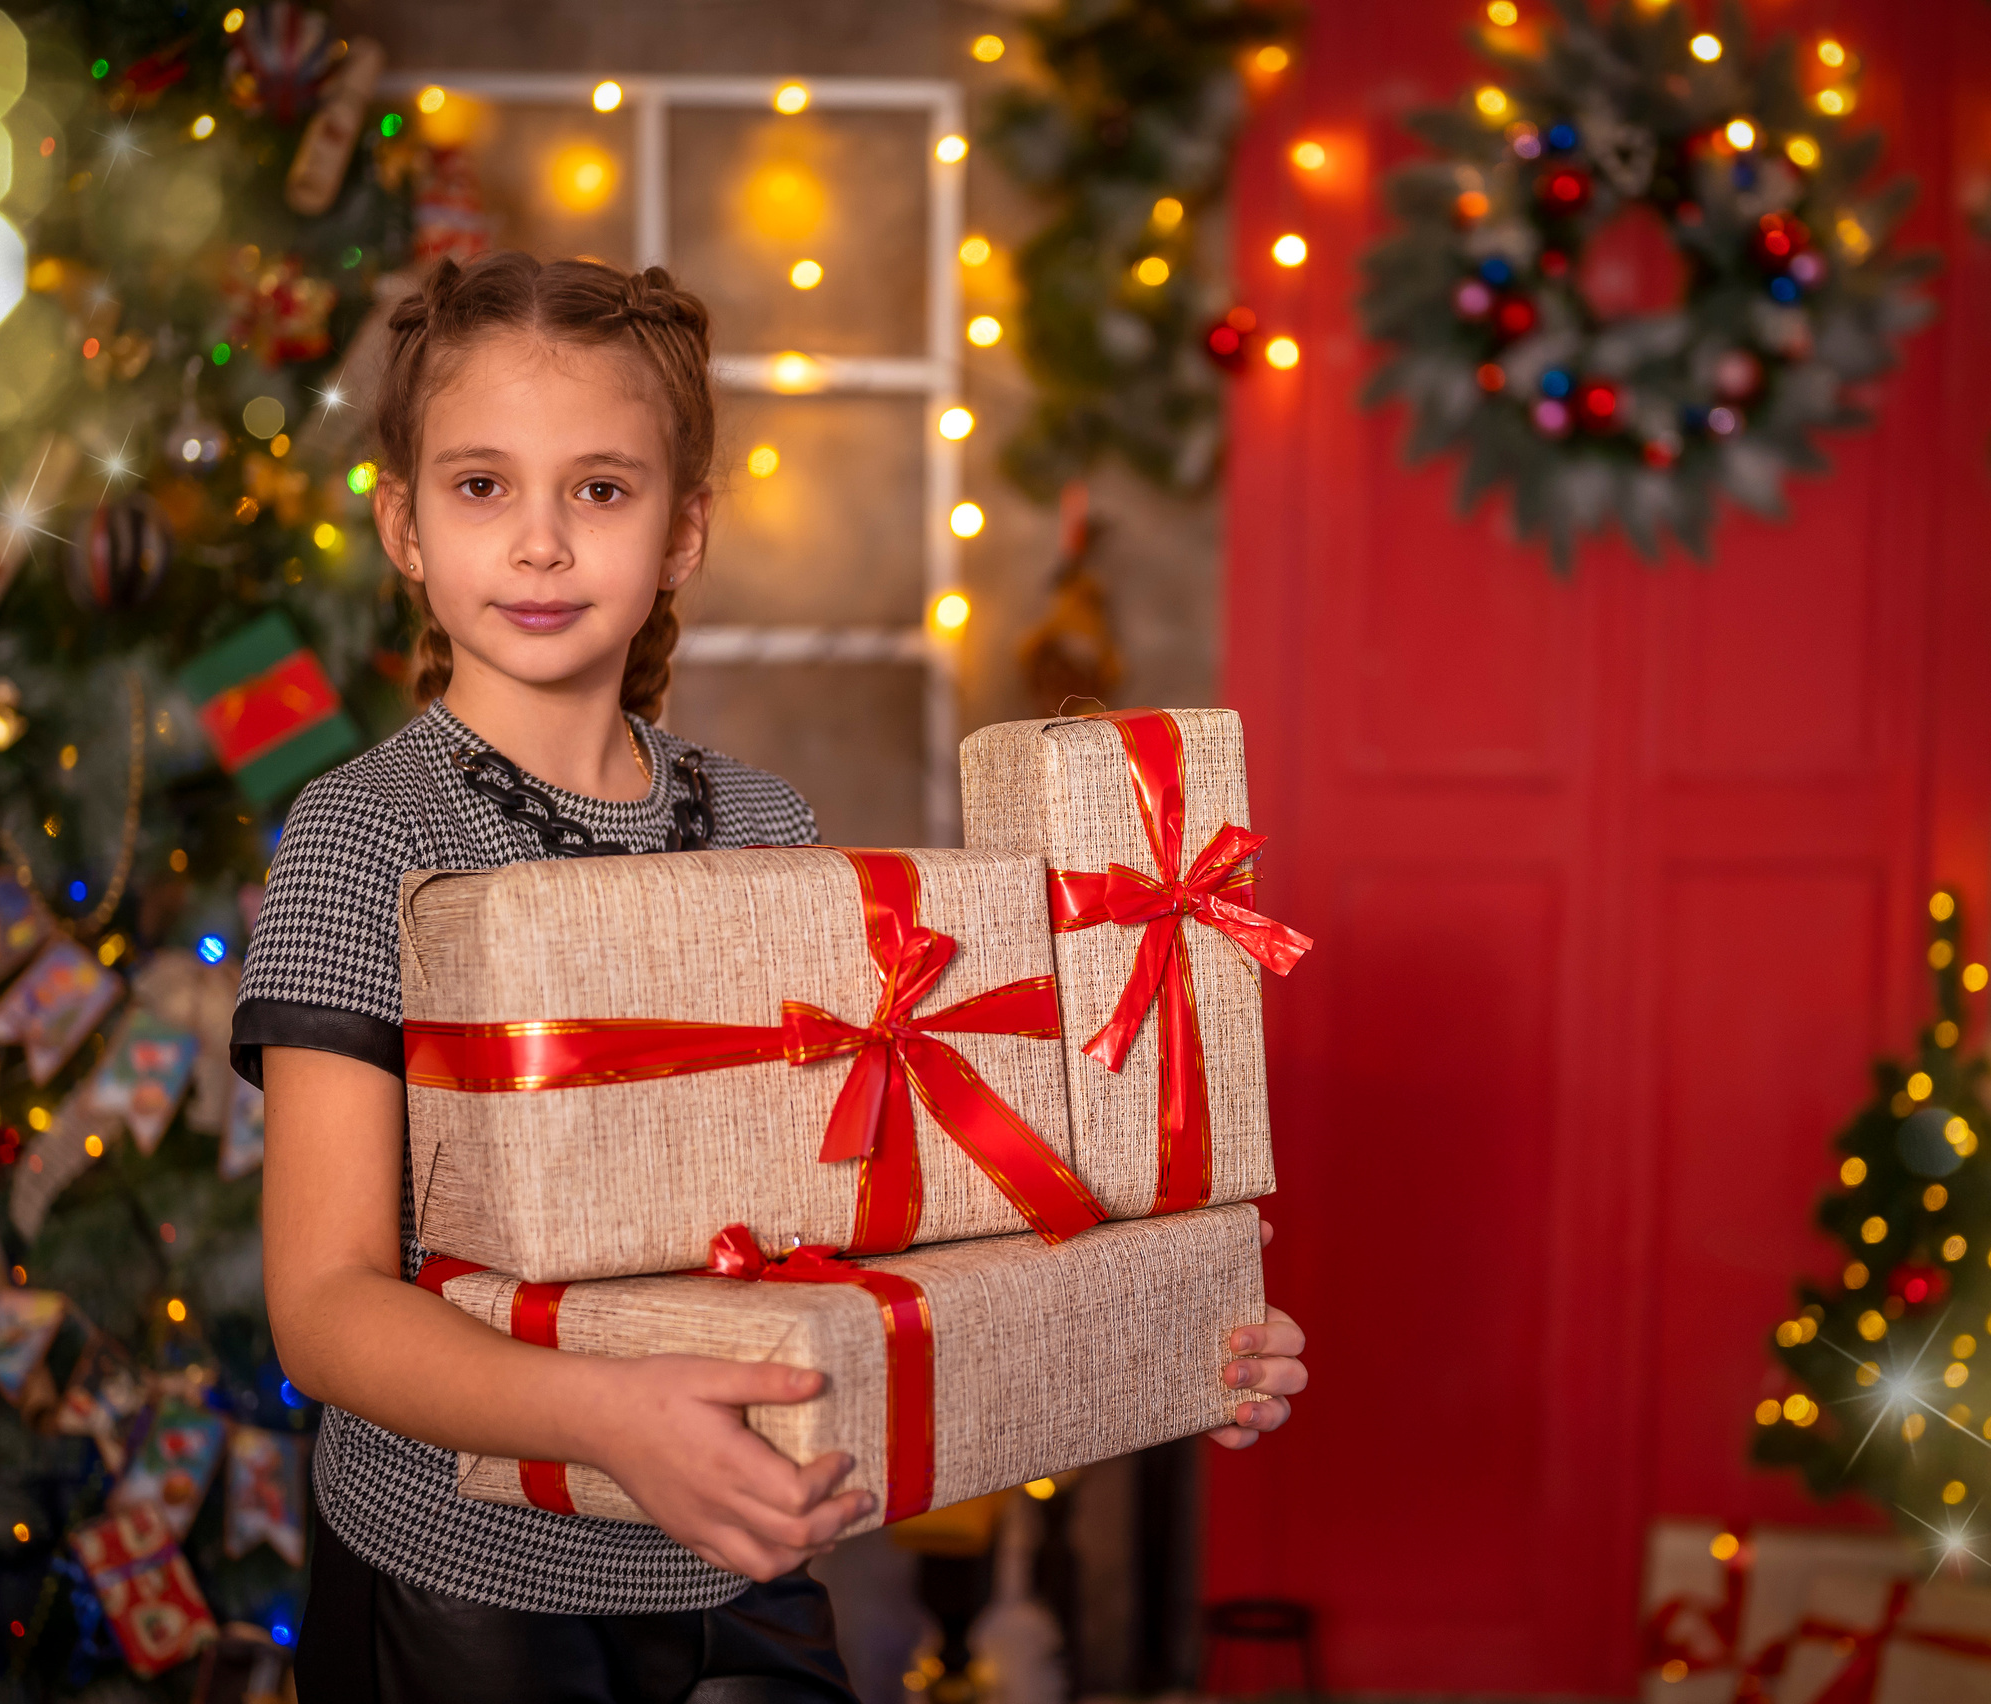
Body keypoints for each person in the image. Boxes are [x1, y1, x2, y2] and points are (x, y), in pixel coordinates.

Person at [235, 251, 1309, 1703]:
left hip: (745, 1564)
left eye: (601, 490)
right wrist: (613, 1420)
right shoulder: (366, 837)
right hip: (467, 1586)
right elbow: (325, 1303)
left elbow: (870, 1226)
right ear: (404, 527)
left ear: (684, 532)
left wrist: (1168, 1336)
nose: (540, 543)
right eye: (481, 485)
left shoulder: (767, 827)